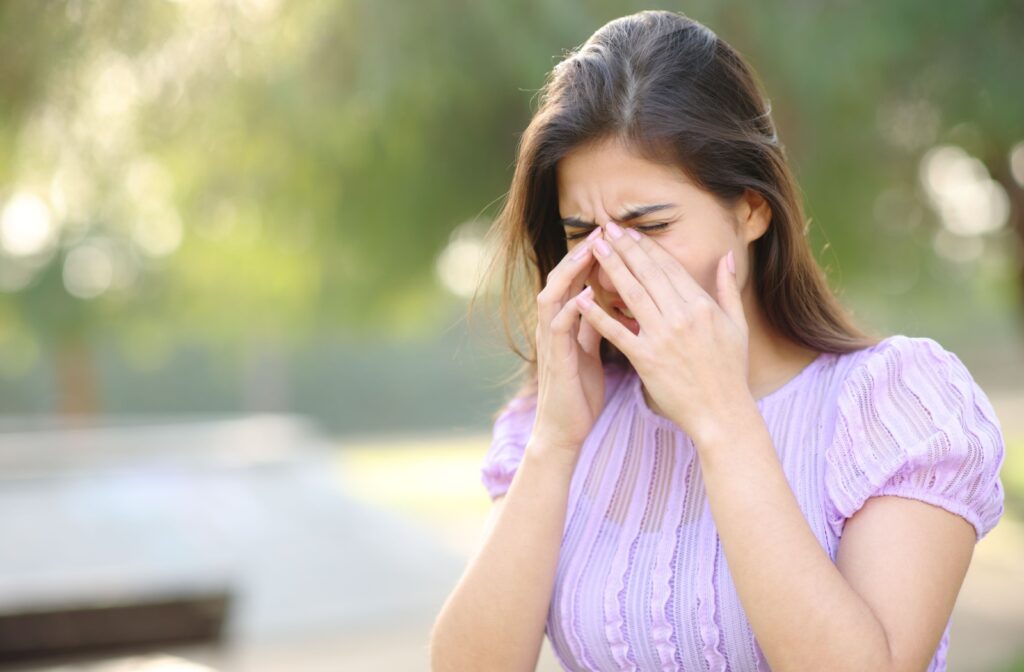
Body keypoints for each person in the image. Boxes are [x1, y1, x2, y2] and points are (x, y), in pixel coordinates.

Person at [429, 10, 1006, 672]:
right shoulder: (562, 421)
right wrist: (555, 443)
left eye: (649, 225)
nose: (614, 267)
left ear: (751, 210)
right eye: (584, 233)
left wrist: (722, 418)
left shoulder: (895, 407)